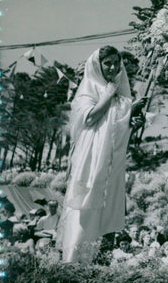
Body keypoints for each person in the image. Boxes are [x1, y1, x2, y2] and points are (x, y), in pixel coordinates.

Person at [57, 47, 142, 263]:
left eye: (116, 63)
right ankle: (75, 257)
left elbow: (116, 128)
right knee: (87, 200)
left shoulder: (122, 94)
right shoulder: (89, 88)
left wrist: (131, 121)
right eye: (107, 63)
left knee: (109, 203)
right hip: (91, 155)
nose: (113, 68)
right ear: (98, 65)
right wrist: (107, 96)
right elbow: (89, 118)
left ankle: (101, 259)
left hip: (112, 161)